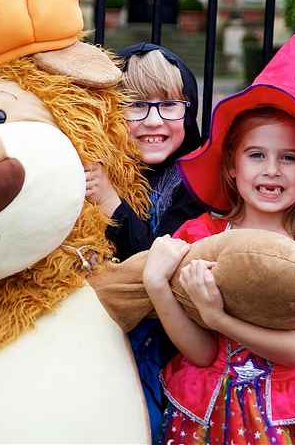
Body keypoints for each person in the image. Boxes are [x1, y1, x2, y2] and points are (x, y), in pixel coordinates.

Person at [144, 32, 295, 444]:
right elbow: (201, 354)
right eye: (256, 155)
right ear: (231, 165)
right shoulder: (202, 237)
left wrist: (218, 318)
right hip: (209, 415)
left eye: (289, 158)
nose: (272, 170)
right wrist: (158, 286)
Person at [84, 43, 204, 441]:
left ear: (190, 111)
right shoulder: (98, 167)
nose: (154, 121)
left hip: (169, 347)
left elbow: (161, 259)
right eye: (136, 106)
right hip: (97, 338)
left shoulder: (195, 184)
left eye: (170, 105)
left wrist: (111, 204)